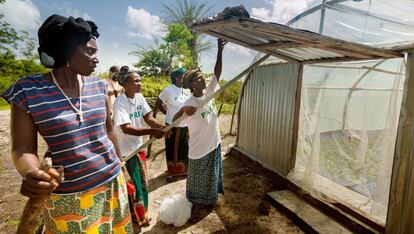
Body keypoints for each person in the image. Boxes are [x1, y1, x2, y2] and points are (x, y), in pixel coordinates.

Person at [1, 15, 134, 233]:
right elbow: (22, 148)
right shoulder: (28, 91)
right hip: (69, 197)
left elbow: (109, 132)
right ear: (66, 50)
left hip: (112, 182)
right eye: (90, 51)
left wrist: (122, 168)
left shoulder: (99, 86)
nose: (97, 58)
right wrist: (32, 172)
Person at [112, 66, 169, 226]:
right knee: (134, 186)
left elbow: (148, 117)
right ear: (126, 84)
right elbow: (126, 128)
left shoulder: (139, 97)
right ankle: (137, 217)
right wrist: (152, 131)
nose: (140, 83)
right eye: (136, 81)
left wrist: (160, 127)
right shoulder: (120, 103)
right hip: (126, 151)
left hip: (138, 146)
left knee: (143, 181)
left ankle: (143, 212)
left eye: (140, 80)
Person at [173, 39, 227, 207]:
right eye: (197, 77)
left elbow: (217, 73)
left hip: (213, 142)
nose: (202, 77)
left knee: (211, 175)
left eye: (201, 74)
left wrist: (219, 50)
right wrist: (182, 111)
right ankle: (196, 202)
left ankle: (210, 200)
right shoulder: (189, 103)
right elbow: (174, 122)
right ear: (191, 85)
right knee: (198, 178)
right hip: (199, 148)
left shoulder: (209, 92)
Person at [153, 67, 191, 181]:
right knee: (172, 148)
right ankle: (172, 172)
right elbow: (158, 102)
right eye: (183, 76)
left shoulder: (187, 90)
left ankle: (183, 170)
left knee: (183, 148)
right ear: (176, 78)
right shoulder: (169, 90)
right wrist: (166, 112)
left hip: (185, 124)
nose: (185, 79)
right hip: (172, 124)